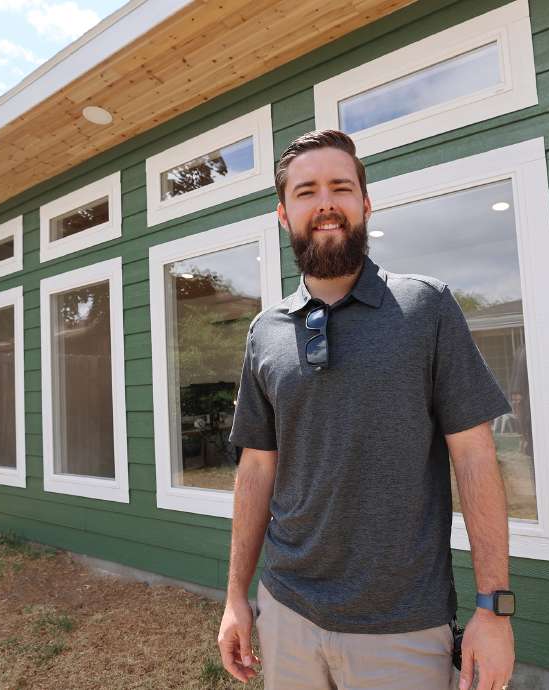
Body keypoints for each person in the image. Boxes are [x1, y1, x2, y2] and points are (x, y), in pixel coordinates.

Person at [217, 130, 517, 690]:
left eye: (341, 187)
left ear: (365, 203)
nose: (325, 202)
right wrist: (237, 597)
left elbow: (475, 458)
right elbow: (256, 468)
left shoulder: (426, 308)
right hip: (286, 610)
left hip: (402, 626)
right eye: (306, 191)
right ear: (284, 214)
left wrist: (493, 609)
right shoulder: (265, 331)